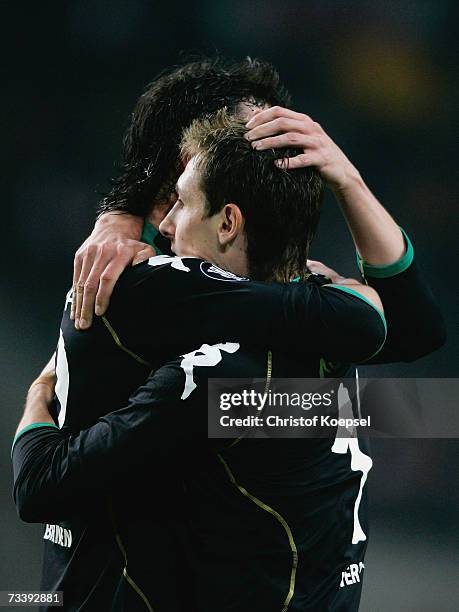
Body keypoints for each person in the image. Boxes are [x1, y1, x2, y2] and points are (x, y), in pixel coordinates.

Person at [13, 109, 445, 611]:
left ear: (228, 222)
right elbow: (422, 396)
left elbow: (39, 484)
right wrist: (346, 179)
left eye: (182, 204)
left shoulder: (222, 381)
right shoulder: (329, 338)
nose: (168, 226)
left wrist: (40, 390)